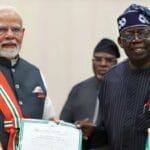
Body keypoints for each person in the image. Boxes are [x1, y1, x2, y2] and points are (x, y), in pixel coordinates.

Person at [76, 3, 150, 150]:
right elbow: (106, 135)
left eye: (142, 33)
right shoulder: (110, 79)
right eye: (128, 35)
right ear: (120, 42)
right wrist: (90, 134)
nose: (135, 39)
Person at [0, 6, 56, 150]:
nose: (9, 35)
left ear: (23, 33)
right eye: (2, 30)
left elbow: (49, 120)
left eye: (16, 30)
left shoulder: (36, 73)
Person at [60, 38, 120, 150]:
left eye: (108, 60)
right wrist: (78, 126)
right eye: (98, 59)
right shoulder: (78, 90)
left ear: (116, 63)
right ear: (93, 62)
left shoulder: (125, 91)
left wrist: (97, 132)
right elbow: (63, 126)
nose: (102, 64)